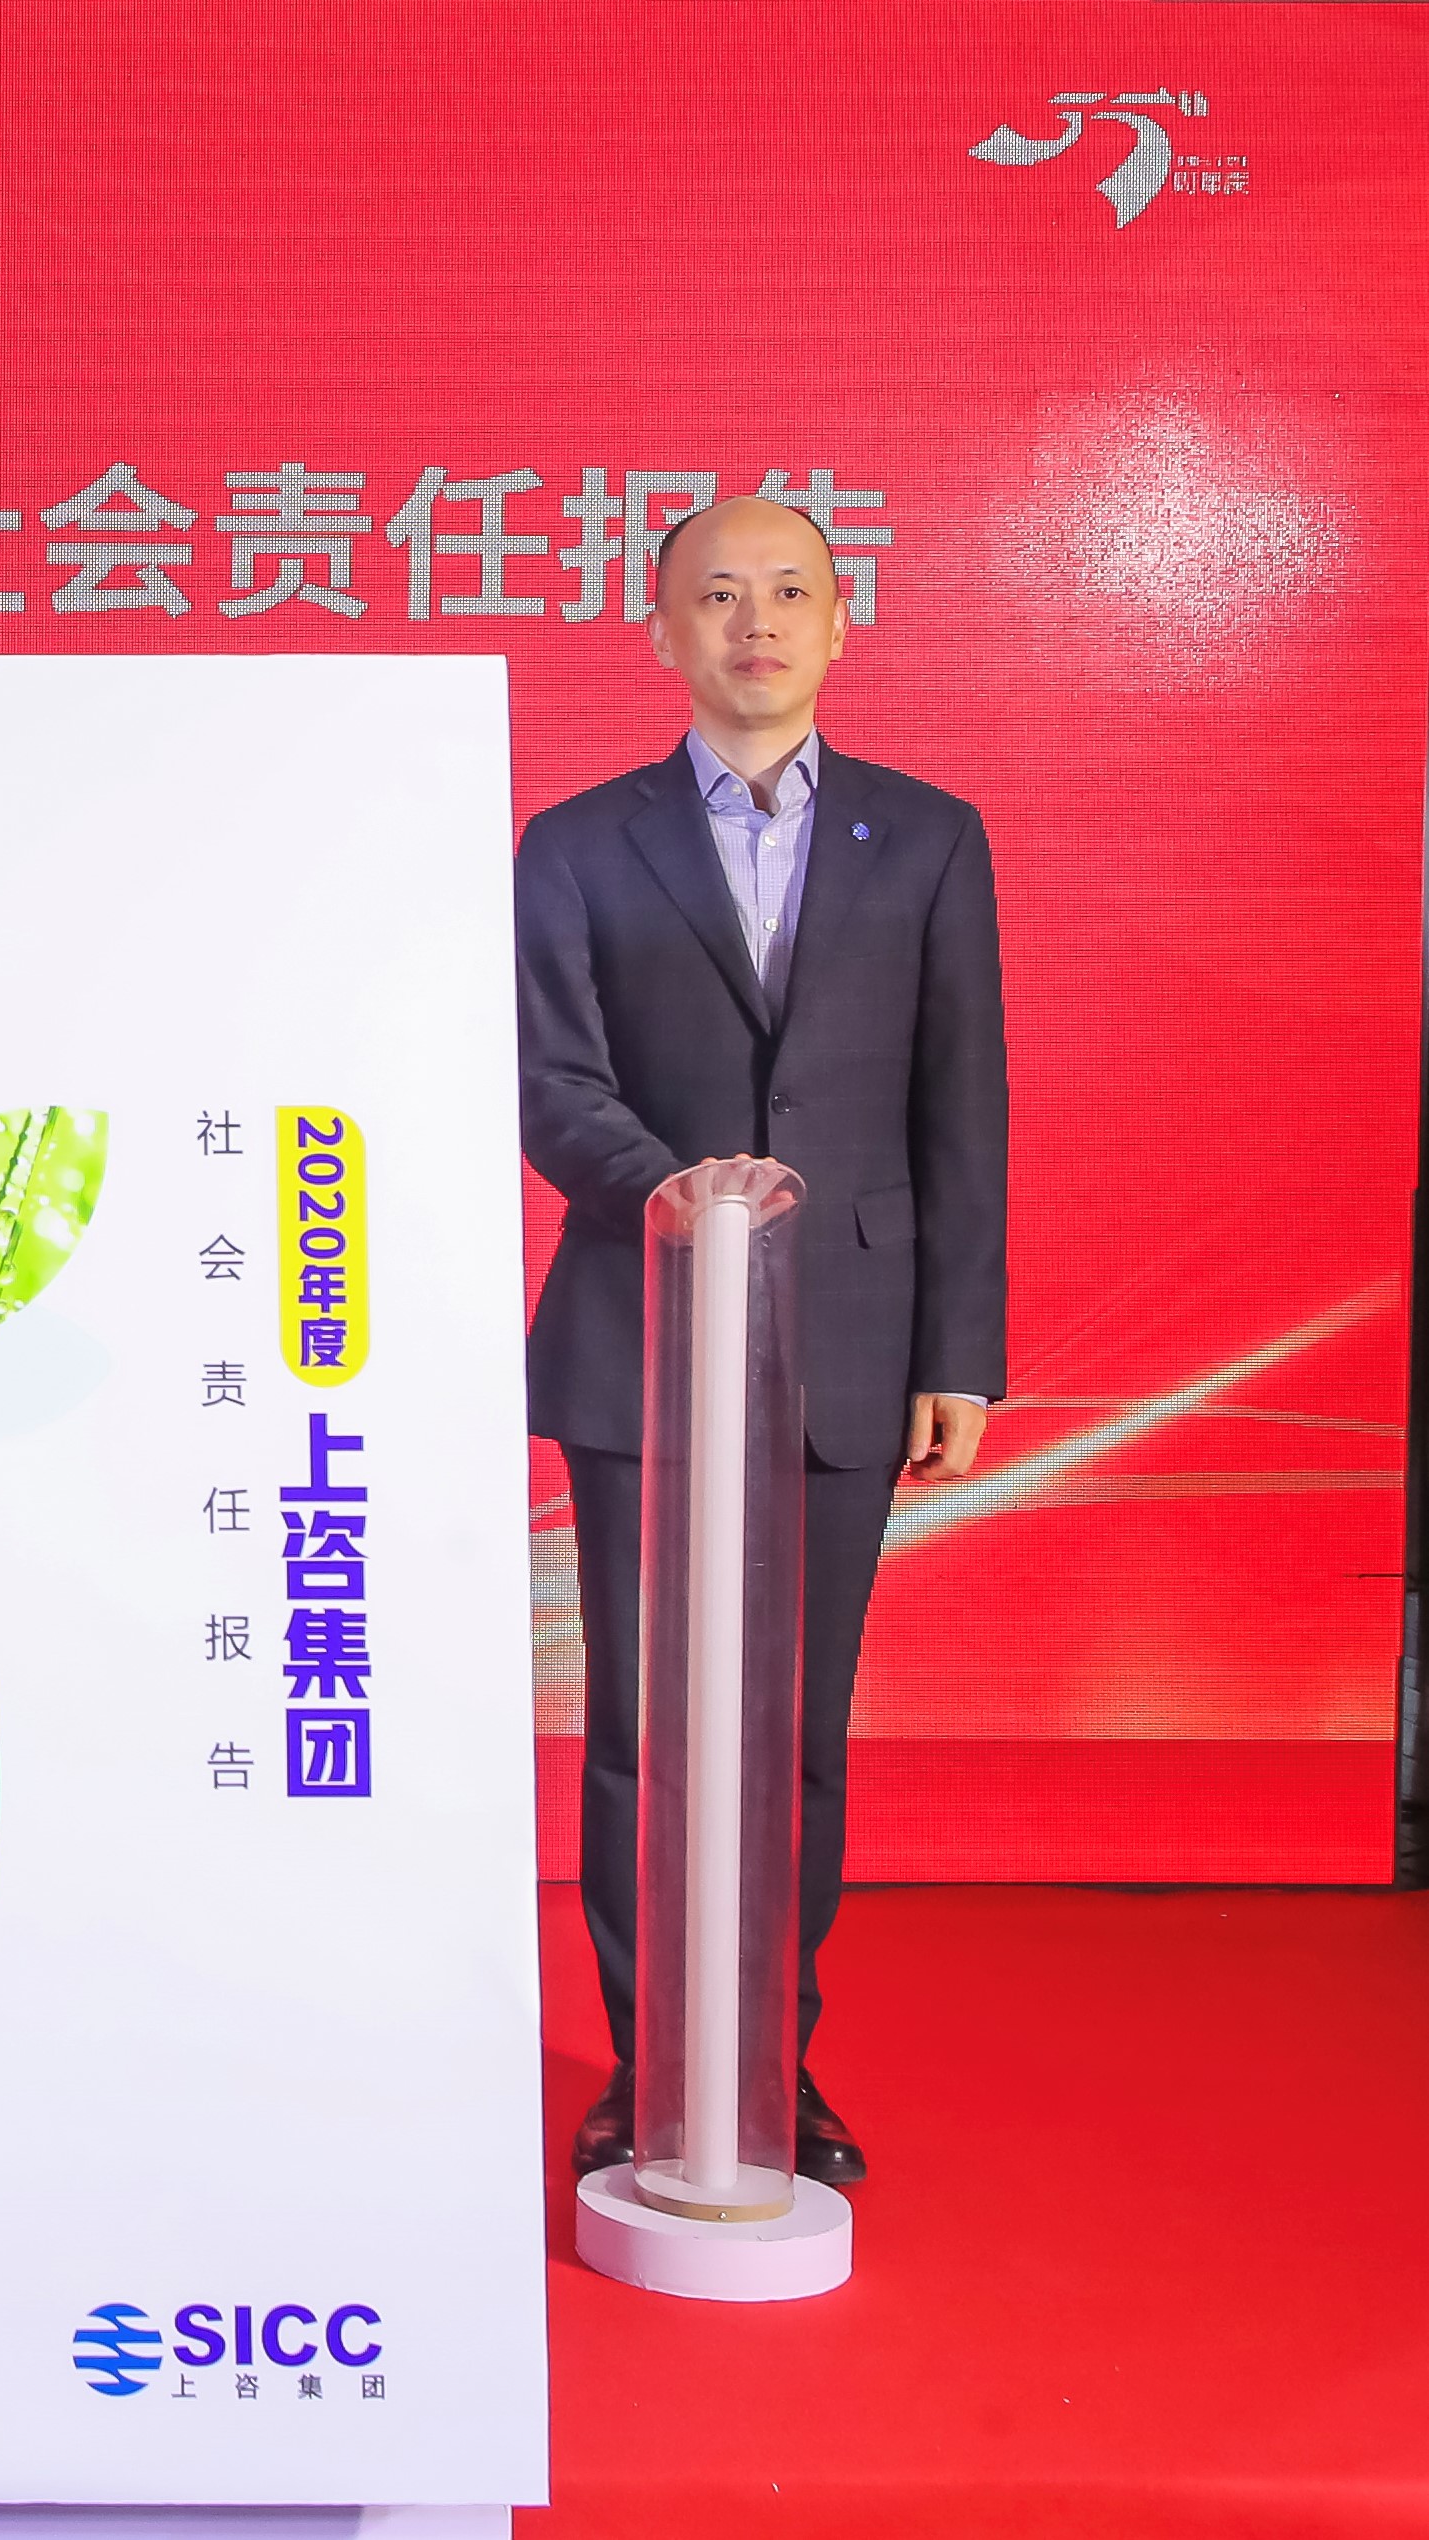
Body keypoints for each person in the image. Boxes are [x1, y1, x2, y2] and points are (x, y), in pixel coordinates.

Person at [515, 494, 1007, 2188]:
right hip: (636, 1334)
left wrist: (956, 1352)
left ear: (837, 623)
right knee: (645, 1731)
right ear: (659, 630)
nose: (755, 623)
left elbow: (959, 1107)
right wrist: (681, 1194)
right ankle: (648, 2065)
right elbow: (548, 1080)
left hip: (849, 1343)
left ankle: (767, 2069)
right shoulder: (575, 843)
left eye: (788, 591)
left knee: (793, 1730)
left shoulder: (928, 838)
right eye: (716, 595)